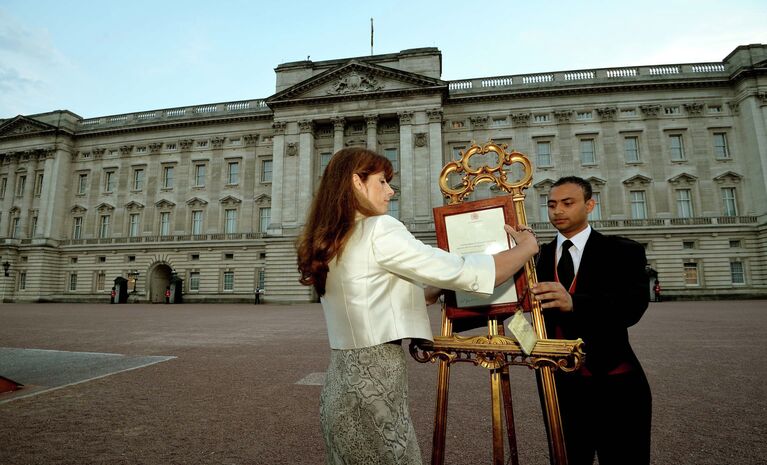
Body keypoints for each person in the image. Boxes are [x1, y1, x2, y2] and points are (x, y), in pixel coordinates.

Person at [296, 147, 538, 465]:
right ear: (357, 182)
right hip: (375, 385)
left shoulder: (334, 237)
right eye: (382, 181)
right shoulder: (380, 228)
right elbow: (470, 271)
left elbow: (373, 295)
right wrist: (527, 248)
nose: (390, 190)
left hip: (341, 383)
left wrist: (432, 290)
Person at [531, 176, 651, 465]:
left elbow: (632, 307)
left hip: (615, 383)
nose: (557, 210)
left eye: (567, 203)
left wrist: (575, 303)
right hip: (559, 386)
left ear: (590, 205)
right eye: (551, 204)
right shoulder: (536, 257)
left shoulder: (624, 251)